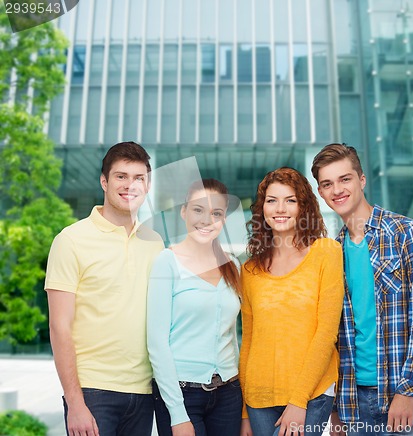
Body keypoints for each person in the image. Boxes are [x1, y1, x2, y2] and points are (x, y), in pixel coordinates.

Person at [311, 143, 413, 436]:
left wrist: (407, 391)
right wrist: (336, 406)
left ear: (361, 180)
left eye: (344, 179)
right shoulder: (332, 252)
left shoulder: (408, 234)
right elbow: (335, 334)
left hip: (406, 392)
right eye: (327, 184)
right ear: (320, 193)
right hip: (353, 399)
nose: (337, 190)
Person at [45, 141, 164, 436]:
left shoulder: (155, 242)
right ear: (104, 181)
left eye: (139, 178)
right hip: (93, 392)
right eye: (121, 176)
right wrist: (75, 403)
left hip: (144, 390)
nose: (130, 185)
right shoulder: (70, 240)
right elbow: (59, 327)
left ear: (147, 185)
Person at [239, 167, 344, 436]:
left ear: (303, 206)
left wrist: (299, 400)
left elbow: (326, 333)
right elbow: (249, 341)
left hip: (311, 394)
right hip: (258, 399)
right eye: (271, 200)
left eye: (290, 200)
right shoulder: (250, 270)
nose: (279, 208)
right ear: (262, 208)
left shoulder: (327, 252)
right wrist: (244, 413)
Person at [147, 178, 243, 436]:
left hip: (229, 393)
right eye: (198, 210)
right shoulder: (167, 262)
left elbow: (232, 336)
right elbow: (157, 342)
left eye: (216, 213)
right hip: (182, 395)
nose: (206, 219)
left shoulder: (233, 265)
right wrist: (177, 414)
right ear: (184, 211)